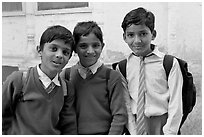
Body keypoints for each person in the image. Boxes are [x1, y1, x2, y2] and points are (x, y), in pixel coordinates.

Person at [115, 7, 183, 135]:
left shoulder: (169, 63)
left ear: (153, 34)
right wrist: (133, 132)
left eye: (143, 34)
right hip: (135, 124)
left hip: (163, 123)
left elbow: (176, 103)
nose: (137, 41)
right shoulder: (122, 67)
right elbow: (126, 104)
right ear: (124, 37)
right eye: (131, 35)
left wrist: (169, 132)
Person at [2, 25, 77, 135]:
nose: (59, 55)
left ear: (69, 58)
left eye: (65, 52)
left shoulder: (66, 89)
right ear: (39, 50)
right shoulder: (19, 80)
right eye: (54, 49)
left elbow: (68, 126)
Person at [60, 21, 128, 135]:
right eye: (83, 46)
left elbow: (119, 115)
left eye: (95, 45)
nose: (90, 51)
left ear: (102, 46)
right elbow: (62, 114)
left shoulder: (111, 76)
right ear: (75, 48)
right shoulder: (66, 76)